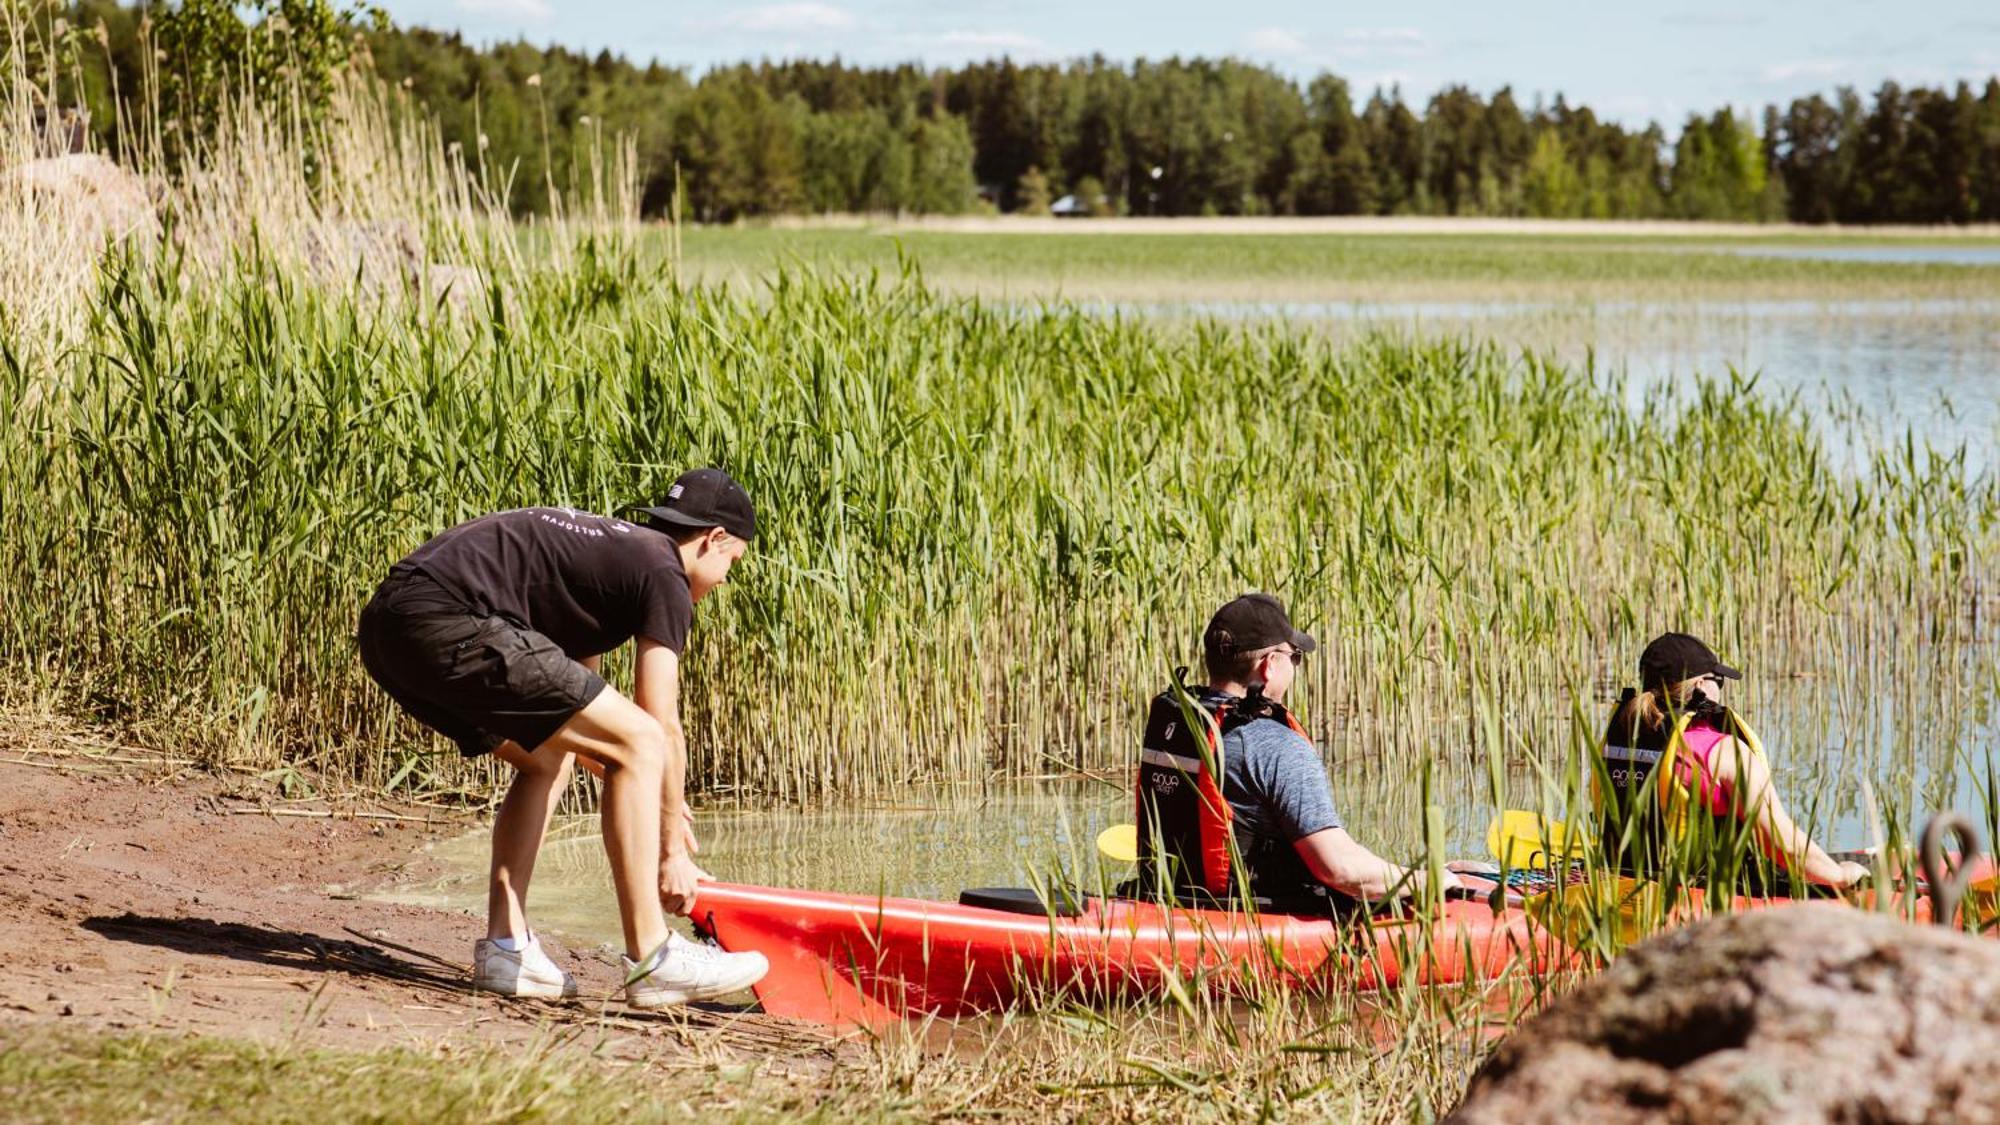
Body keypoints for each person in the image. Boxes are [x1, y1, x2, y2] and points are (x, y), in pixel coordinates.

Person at [357, 467, 770, 1007]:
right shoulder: (665, 570)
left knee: (548, 757)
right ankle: (654, 956)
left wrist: (646, 784)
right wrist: (672, 851)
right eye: (731, 563)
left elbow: (580, 714)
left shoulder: (610, 563)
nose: (724, 581)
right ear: (715, 539)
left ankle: (508, 948)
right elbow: (659, 721)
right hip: (446, 616)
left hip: (389, 627)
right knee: (643, 739)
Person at [1135, 592, 1462, 913]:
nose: (1296, 667)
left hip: (1170, 906)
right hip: (1251, 922)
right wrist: (1429, 880)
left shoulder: (1176, 724)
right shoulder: (1273, 745)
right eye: (1295, 657)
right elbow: (1340, 870)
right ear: (1269, 665)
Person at [1597, 631, 1869, 894]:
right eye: (1719, 680)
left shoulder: (1614, 741)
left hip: (1624, 881)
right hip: (1695, 895)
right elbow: (1780, 843)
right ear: (1701, 685)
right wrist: (1841, 875)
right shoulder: (1723, 753)